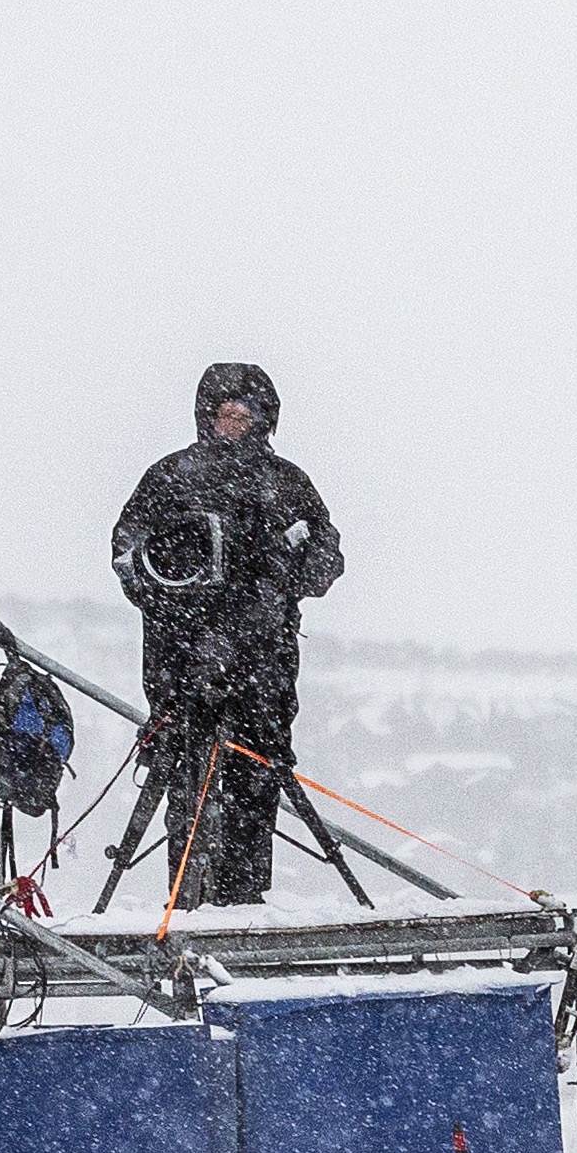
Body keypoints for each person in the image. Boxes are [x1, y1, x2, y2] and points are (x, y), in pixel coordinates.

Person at [111, 363, 344, 907]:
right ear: (207, 417)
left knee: (255, 774)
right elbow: (128, 551)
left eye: (246, 414)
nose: (234, 423)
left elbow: (326, 561)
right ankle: (185, 898)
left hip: (262, 664)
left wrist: (287, 568)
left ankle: (242, 899)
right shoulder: (170, 477)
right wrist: (170, 591)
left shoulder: (286, 483)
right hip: (180, 659)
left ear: (265, 419)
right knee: (184, 774)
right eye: (225, 413)